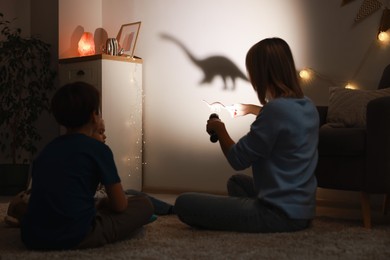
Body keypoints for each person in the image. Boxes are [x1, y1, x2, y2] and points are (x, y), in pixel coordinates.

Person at [174, 37, 319, 233]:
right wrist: (252, 109)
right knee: (236, 183)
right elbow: (285, 121)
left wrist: (219, 128)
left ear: (261, 73)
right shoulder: (307, 105)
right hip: (303, 210)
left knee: (184, 203)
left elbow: (237, 158)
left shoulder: (274, 111)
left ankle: (254, 218)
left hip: (277, 214)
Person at [20, 81, 154, 250]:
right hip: (77, 235)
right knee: (144, 204)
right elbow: (120, 205)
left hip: (32, 236)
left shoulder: (48, 149)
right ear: (93, 116)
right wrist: (104, 204)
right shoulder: (99, 150)